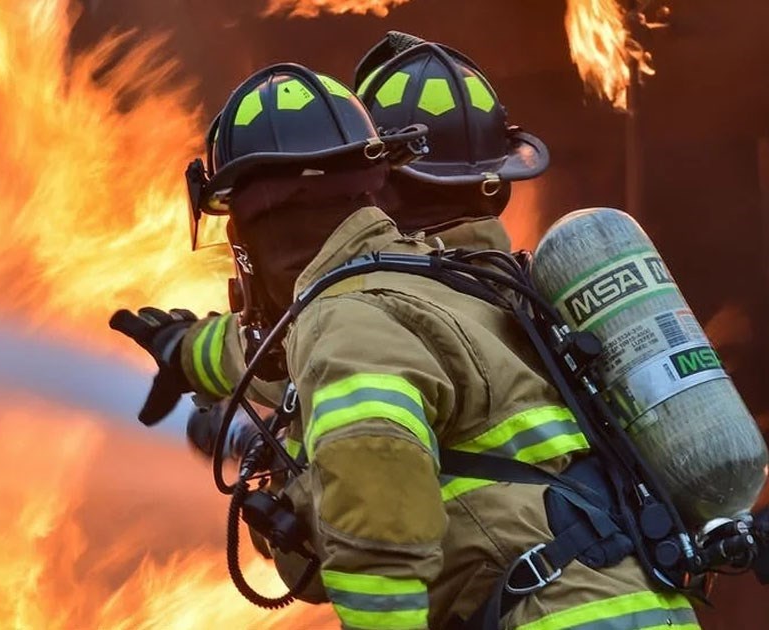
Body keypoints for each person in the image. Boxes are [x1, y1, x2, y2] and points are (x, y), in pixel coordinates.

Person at [112, 36, 701, 630]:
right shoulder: (453, 285)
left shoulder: (349, 320)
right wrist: (186, 351)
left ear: (259, 229)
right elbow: (274, 350)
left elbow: (376, 538)